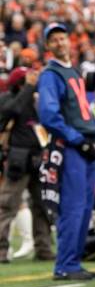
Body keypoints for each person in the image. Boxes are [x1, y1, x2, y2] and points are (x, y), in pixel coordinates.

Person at [38, 23, 95, 281]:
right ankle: (64, 264)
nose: (59, 42)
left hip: (84, 144)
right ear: (48, 46)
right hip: (71, 147)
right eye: (53, 39)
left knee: (86, 206)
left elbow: (83, 111)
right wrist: (79, 139)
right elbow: (48, 115)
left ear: (70, 41)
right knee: (73, 206)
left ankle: (73, 262)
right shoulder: (51, 74)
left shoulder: (73, 71)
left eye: (63, 38)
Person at [0, 67, 53, 263]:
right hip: (18, 160)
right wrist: (28, 88)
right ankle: (1, 251)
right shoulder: (8, 99)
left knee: (42, 206)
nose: (32, 82)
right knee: (7, 206)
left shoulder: (38, 100)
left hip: (39, 159)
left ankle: (44, 249)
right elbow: (11, 111)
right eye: (26, 80)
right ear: (18, 84)